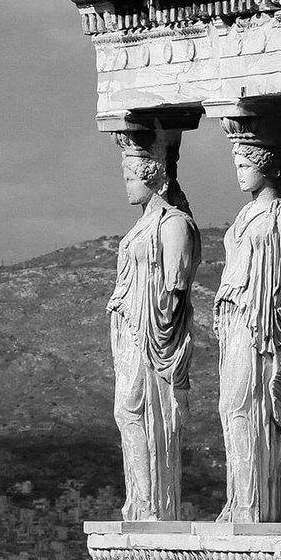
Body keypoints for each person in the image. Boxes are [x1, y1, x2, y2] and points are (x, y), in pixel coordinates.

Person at [215, 116, 281, 523]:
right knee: (229, 407)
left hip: (262, 325)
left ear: (265, 164)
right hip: (236, 320)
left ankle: (255, 506)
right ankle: (239, 499)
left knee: (247, 406)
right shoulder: (243, 217)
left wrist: (270, 303)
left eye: (243, 165)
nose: (238, 173)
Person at [107, 130, 200, 521]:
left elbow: (176, 285)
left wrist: (157, 324)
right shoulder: (143, 225)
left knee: (134, 410)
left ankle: (152, 504)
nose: (126, 186)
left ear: (150, 175)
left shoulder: (173, 223)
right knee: (125, 412)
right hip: (130, 328)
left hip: (153, 334)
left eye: (130, 178)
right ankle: (141, 501)